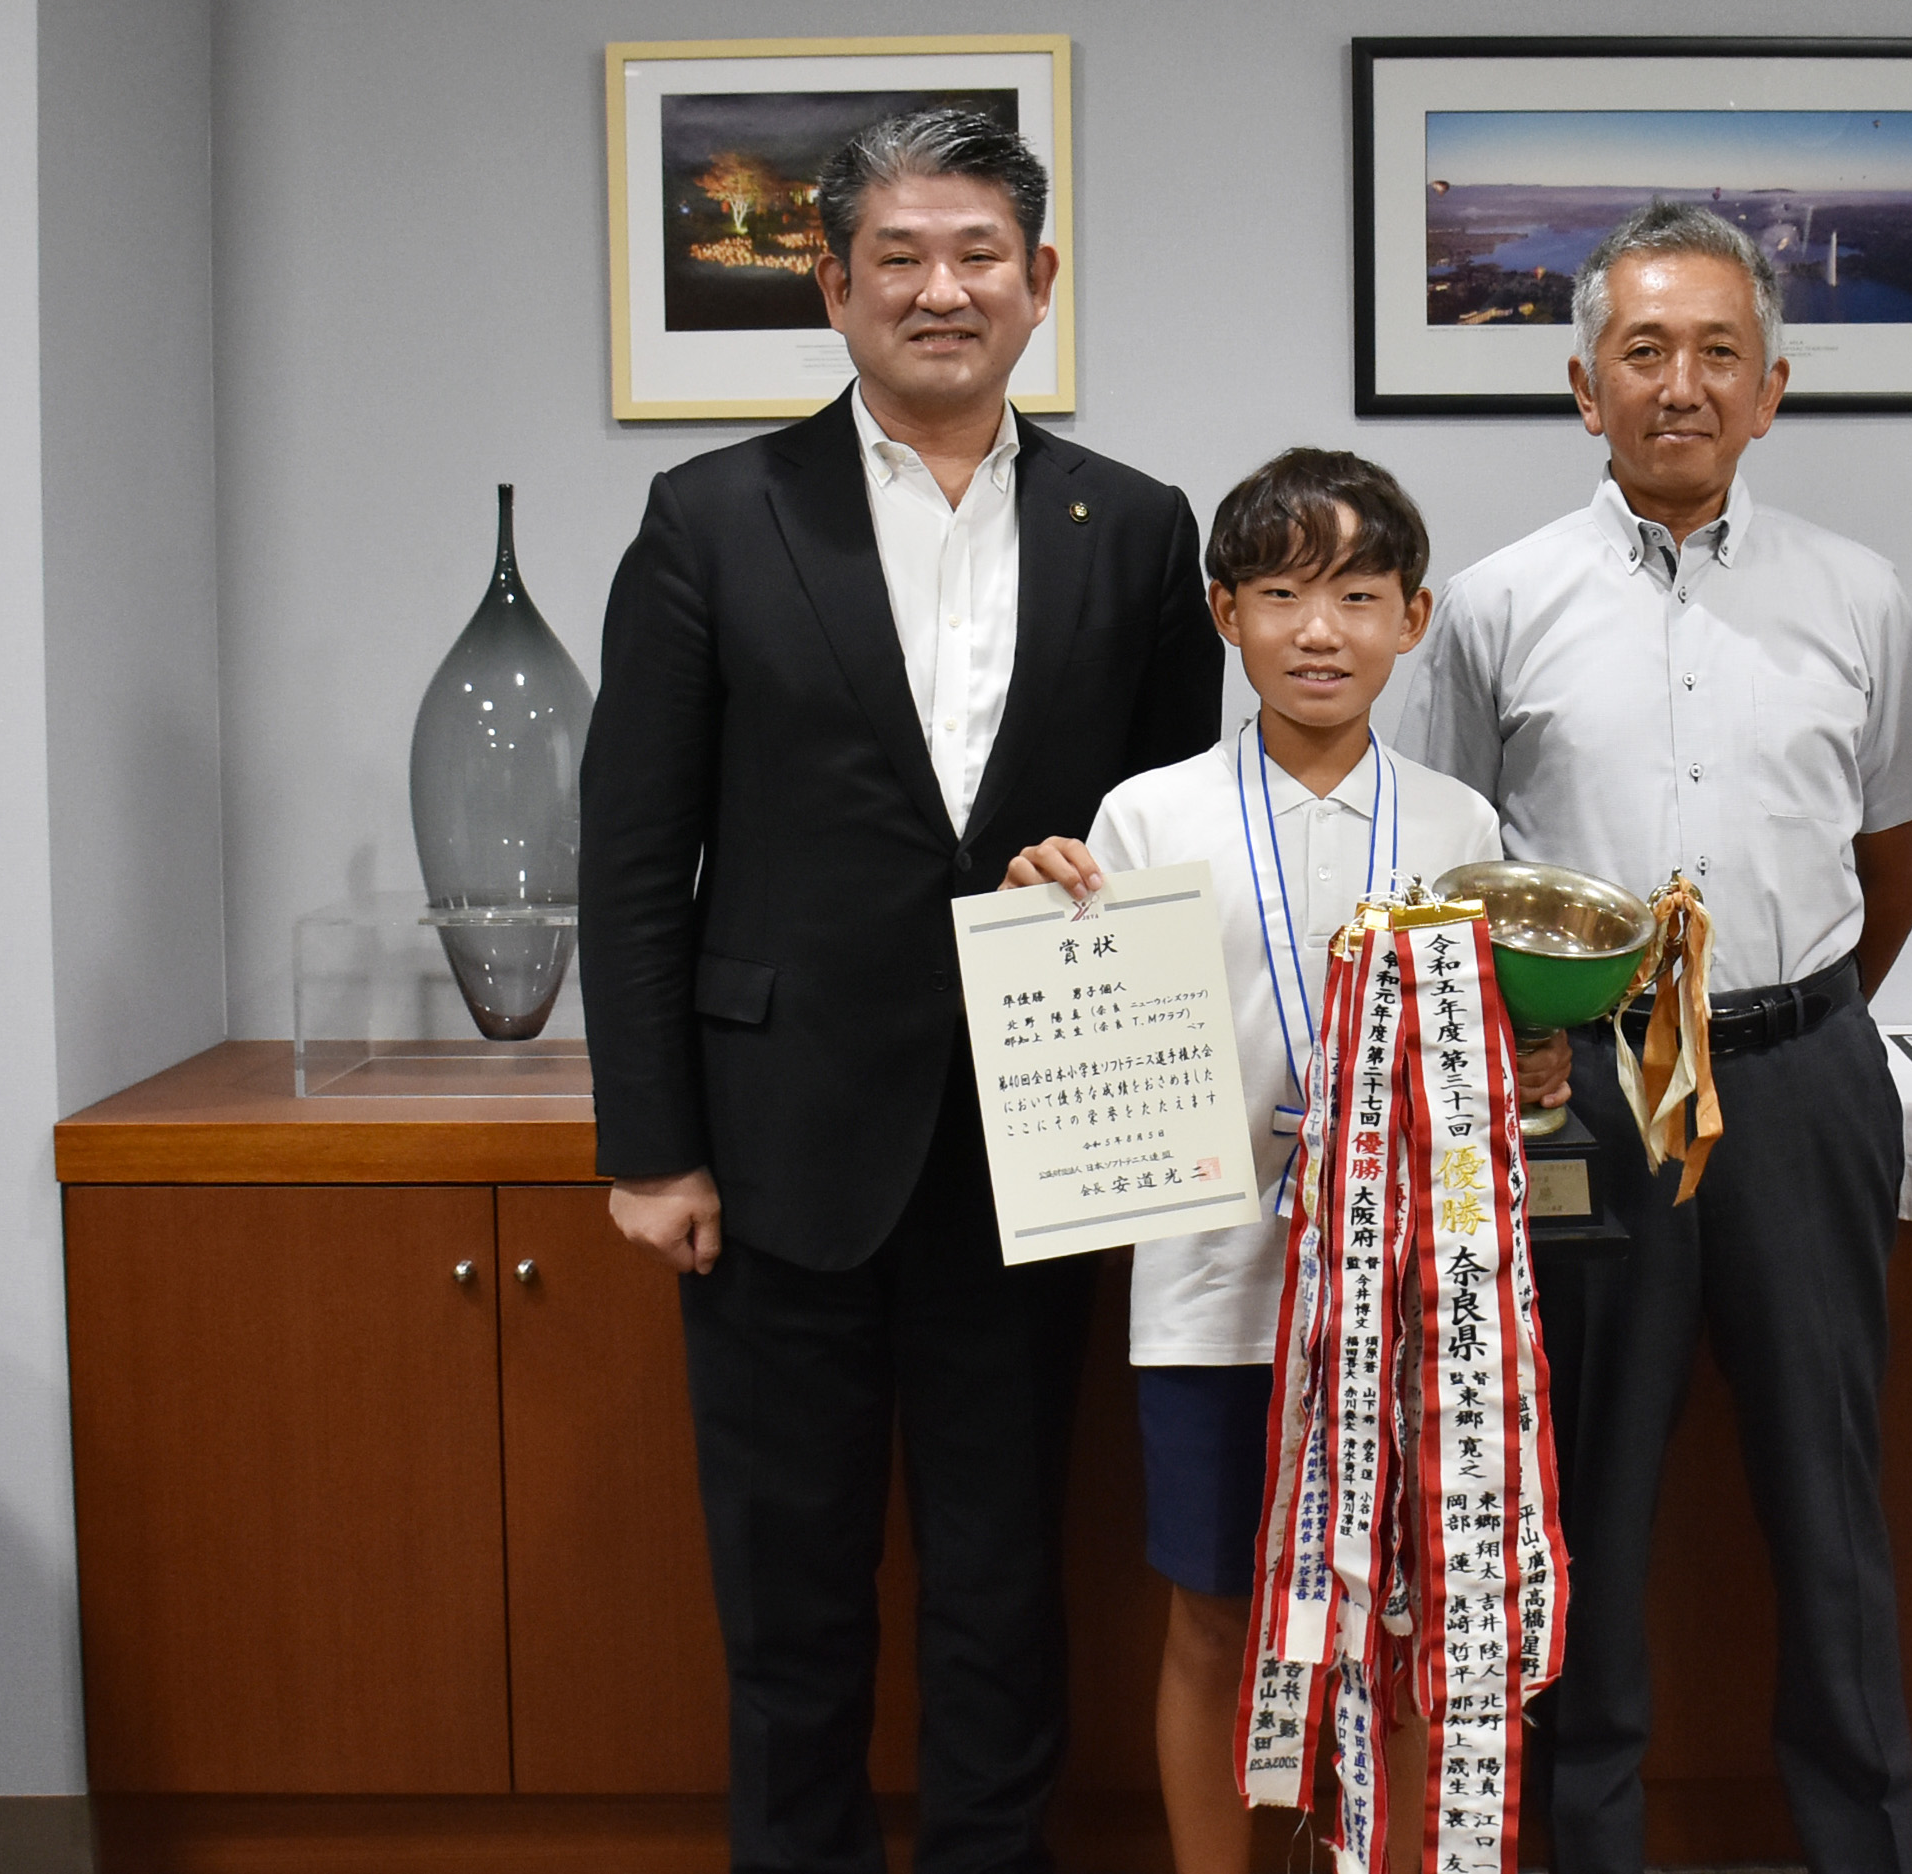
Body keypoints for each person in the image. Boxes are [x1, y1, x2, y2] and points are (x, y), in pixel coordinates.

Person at [580, 107, 1223, 1874]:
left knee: (1006, 1591)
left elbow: (1162, 840)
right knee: (791, 1605)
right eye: (900, 260)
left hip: (1043, 1145)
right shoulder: (713, 517)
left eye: (980, 258)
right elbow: (636, 855)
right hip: (777, 1152)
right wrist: (651, 1144)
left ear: (1041, 285)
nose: (943, 291)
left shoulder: (1137, 529)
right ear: (834, 284)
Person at [1393, 201, 1912, 1874]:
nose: (1681, 384)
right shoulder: (1496, 606)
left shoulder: (1856, 596)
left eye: (1718, 352)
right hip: (1583, 1096)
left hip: (1803, 1080)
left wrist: (1794, 1028)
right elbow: (1453, 864)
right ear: (1583, 386)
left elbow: (1899, 860)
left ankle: (1863, 1848)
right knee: (1582, 1516)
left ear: (1773, 386)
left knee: (1831, 1501)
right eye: (1643, 352)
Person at [999, 449, 1566, 1874]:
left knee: (1402, 1612)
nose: (1323, 630)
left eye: (1360, 595)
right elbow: (1080, 1030)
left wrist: (1537, 1057)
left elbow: (1485, 1060)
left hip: (1410, 1306)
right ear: (1224, 613)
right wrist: (1034, 918)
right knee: (1215, 1607)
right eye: (1285, 593)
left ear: (1414, 619)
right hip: (1212, 1288)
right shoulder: (1143, 816)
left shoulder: (1459, 828)